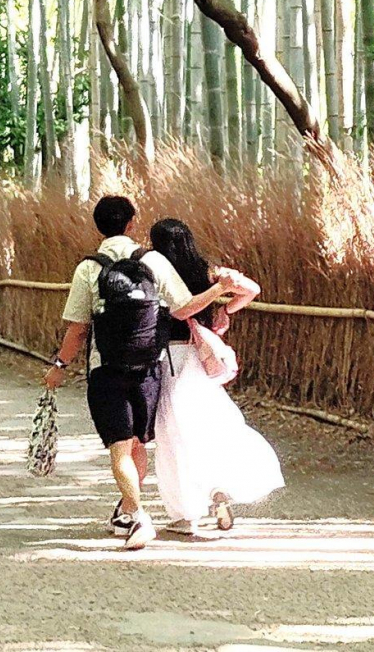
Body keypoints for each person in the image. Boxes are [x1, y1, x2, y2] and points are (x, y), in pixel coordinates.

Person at [43, 196, 236, 550]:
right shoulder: (153, 261)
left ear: (97, 226)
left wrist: (59, 367)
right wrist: (219, 290)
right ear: (132, 223)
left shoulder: (88, 268)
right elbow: (184, 308)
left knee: (119, 449)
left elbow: (77, 328)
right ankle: (129, 509)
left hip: (106, 368)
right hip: (149, 367)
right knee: (137, 443)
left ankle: (137, 515)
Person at [150, 218, 284, 534]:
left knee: (173, 434)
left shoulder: (159, 271)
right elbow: (252, 289)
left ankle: (185, 513)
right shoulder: (208, 271)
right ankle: (219, 487)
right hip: (201, 356)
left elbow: (178, 311)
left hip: (173, 356)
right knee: (211, 423)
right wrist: (227, 306)